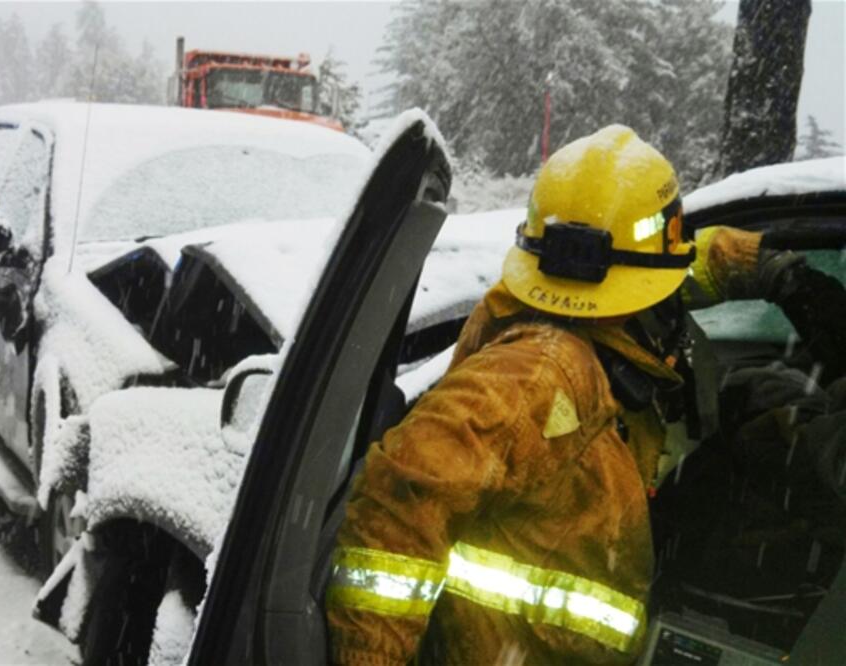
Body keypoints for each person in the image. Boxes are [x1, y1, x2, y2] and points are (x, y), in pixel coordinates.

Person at [324, 124, 846, 665]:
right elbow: (400, 497)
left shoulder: (588, 300)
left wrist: (773, 272)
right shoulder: (539, 374)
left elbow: (668, 265)